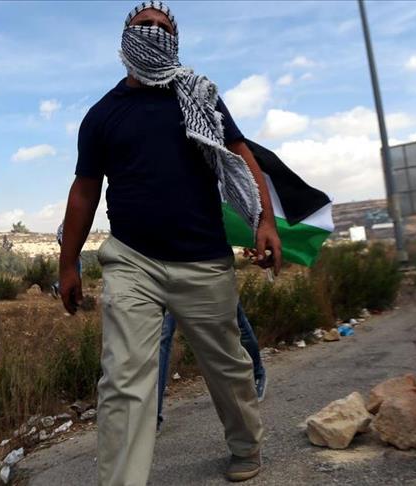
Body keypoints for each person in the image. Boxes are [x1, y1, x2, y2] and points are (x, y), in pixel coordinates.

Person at [57, 2, 282, 484]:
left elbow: (240, 155)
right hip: (132, 261)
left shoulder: (198, 97)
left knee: (227, 367)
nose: (154, 31)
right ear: (126, 36)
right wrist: (67, 262)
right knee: (123, 380)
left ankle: (246, 445)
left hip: (203, 260)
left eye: (164, 27)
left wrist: (265, 221)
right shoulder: (102, 115)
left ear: (176, 42)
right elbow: (85, 191)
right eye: (145, 24)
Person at [157, 302, 266, 433]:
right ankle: (153, 418)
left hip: (208, 288)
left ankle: (257, 373)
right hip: (166, 289)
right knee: (163, 335)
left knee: (234, 319)